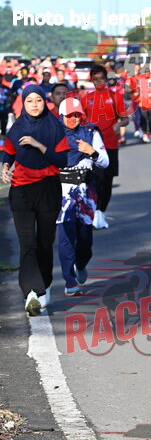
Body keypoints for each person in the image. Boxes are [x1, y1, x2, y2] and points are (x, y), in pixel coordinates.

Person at [1, 85, 70, 315]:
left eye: (38, 100)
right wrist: (5, 165)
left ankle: (45, 286)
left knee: (44, 242)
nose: (34, 105)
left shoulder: (55, 127)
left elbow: (62, 161)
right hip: (21, 189)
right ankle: (31, 292)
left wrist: (39, 145)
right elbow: (9, 151)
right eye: (29, 101)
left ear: (44, 102)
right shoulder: (17, 127)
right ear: (23, 103)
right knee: (27, 243)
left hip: (48, 189)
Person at [56, 98, 108, 295]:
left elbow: (105, 162)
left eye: (77, 115)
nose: (74, 119)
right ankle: (70, 281)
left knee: (85, 239)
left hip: (86, 191)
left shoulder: (91, 132)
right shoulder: (53, 133)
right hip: (62, 192)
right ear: (61, 116)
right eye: (69, 115)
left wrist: (91, 152)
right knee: (65, 237)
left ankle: (81, 262)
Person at [80, 65, 128, 229]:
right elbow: (80, 120)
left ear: (106, 79)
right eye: (95, 79)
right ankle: (93, 211)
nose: (99, 82)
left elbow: (125, 119)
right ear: (92, 81)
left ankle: (101, 212)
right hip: (92, 147)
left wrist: (119, 125)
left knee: (107, 181)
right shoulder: (86, 98)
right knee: (94, 180)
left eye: (101, 79)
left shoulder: (115, 97)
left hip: (110, 145)